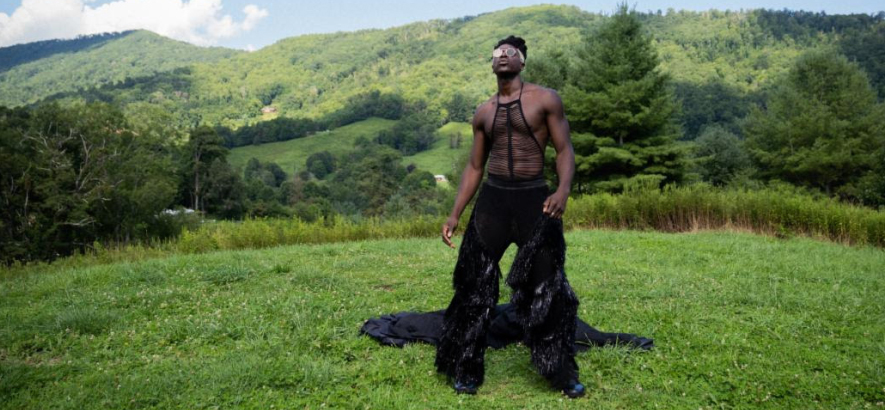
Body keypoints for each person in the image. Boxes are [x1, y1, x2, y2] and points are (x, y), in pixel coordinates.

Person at [434, 35, 585, 398]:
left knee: (546, 287)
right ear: (491, 64)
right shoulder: (483, 112)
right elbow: (474, 166)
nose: (502, 57)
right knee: (474, 286)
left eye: (510, 53)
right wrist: (455, 214)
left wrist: (562, 190)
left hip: (536, 200)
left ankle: (560, 372)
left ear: (522, 62)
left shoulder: (545, 99)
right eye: (497, 53)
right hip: (493, 202)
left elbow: (564, 150)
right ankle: (467, 367)